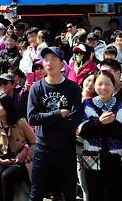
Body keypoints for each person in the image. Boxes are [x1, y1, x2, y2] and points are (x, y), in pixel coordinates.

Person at [27, 47, 82, 201]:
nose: (49, 63)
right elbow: (32, 118)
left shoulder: (73, 88)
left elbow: (74, 120)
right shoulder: (37, 87)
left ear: (62, 63)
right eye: (46, 60)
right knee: (36, 193)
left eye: (53, 59)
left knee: (69, 193)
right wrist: (58, 114)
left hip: (66, 148)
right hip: (43, 148)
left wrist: (47, 120)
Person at [78, 71, 122, 201]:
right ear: (95, 86)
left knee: (115, 194)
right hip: (91, 156)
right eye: (100, 84)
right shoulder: (86, 104)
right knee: (94, 195)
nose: (103, 87)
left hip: (117, 158)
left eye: (107, 84)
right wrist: (98, 122)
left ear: (113, 85)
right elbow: (82, 131)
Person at [0, 94, 36, 201]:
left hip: (21, 161)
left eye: (0, 105)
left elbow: (34, 142)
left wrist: (25, 155)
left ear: (7, 107)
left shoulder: (20, 122)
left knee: (6, 175)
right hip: (3, 159)